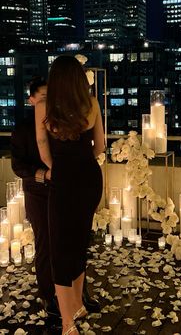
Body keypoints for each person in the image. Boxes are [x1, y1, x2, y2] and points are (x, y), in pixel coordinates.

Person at [11, 76, 101, 322]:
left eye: (51, 97)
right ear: (31, 100)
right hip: (40, 193)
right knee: (47, 244)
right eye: (42, 98)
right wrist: (47, 173)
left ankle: (78, 296)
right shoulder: (22, 129)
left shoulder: (59, 122)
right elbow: (18, 166)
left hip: (66, 188)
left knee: (74, 243)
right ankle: (49, 296)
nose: (48, 102)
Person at [35, 56, 105, 335]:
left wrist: (61, 168)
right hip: (89, 180)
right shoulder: (93, 104)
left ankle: (68, 323)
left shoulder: (43, 107)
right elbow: (99, 148)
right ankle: (77, 306)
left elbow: (43, 150)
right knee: (78, 243)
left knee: (60, 252)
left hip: (64, 182)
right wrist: (79, 164)